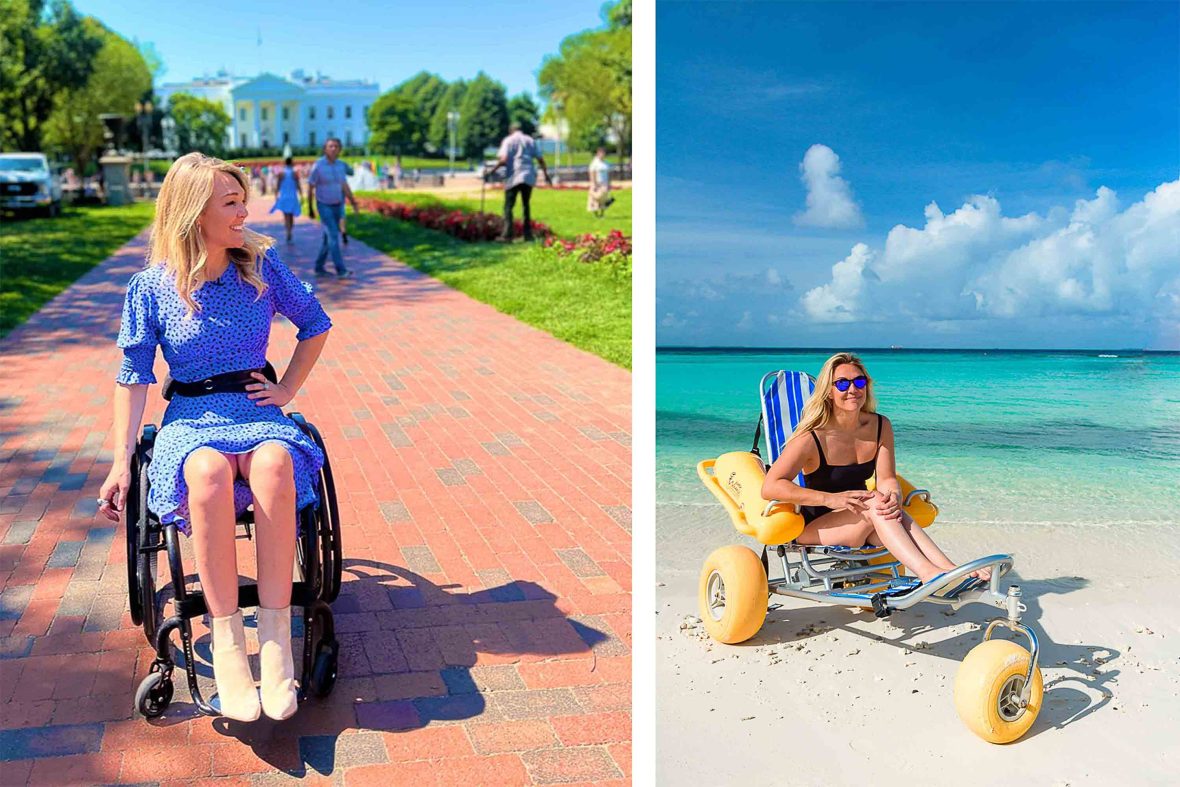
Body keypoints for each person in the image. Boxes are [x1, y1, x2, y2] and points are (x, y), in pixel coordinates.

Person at [98, 152, 333, 722]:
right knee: (203, 472)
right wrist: (120, 462)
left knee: (276, 465)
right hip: (191, 415)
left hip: (254, 409)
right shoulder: (151, 287)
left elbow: (316, 323)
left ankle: (275, 639)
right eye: (230, 202)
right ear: (193, 212)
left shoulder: (261, 266)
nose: (243, 210)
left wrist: (287, 391)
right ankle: (228, 644)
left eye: (240, 198)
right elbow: (133, 378)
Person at [761, 352, 989, 584]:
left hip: (865, 517)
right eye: (842, 383)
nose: (853, 389)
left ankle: (948, 568)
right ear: (828, 391)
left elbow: (887, 477)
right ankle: (929, 573)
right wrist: (831, 499)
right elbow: (770, 487)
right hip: (817, 527)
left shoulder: (880, 425)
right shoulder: (811, 437)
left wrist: (894, 494)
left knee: (886, 504)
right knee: (875, 503)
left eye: (859, 381)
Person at [485, 121, 551, 242]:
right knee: (526, 205)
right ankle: (528, 234)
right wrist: (546, 175)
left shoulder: (508, 140)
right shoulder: (530, 140)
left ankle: (507, 235)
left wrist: (492, 171)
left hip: (513, 176)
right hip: (528, 175)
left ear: (511, 130)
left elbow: (503, 159)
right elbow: (540, 159)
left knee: (508, 206)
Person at [306, 138, 359, 277]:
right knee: (334, 235)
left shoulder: (341, 165)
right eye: (330, 146)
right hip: (324, 205)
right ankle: (341, 270)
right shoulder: (318, 166)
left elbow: (345, 185)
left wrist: (353, 202)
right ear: (325, 148)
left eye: (336, 146)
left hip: (338, 205)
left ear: (340, 149)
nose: (333, 149)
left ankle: (318, 266)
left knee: (328, 237)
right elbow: (310, 185)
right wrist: (310, 207)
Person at [269, 156, 302, 244]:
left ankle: (287, 231)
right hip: (292, 196)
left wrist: (276, 196)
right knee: (291, 216)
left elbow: (278, 185)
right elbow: (298, 184)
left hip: (284, 196)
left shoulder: (281, 173)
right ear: (291, 163)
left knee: (286, 216)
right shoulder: (294, 173)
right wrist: (301, 194)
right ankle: (290, 231)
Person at [587, 146, 615, 218]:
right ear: (598, 153)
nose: (602, 155)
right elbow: (592, 173)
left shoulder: (606, 163)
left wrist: (609, 183)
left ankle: (602, 214)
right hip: (597, 183)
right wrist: (594, 183)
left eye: (604, 153)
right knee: (595, 199)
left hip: (604, 183)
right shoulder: (594, 162)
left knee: (603, 199)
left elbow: (609, 174)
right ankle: (596, 214)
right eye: (601, 153)